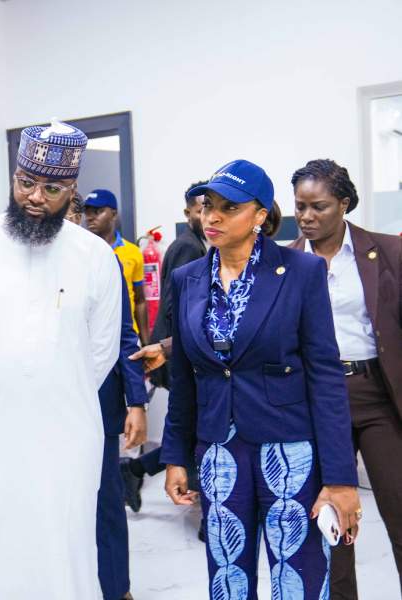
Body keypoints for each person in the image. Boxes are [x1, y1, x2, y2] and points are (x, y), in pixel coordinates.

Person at [162, 159, 361, 599]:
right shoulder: (187, 278)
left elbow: (326, 376)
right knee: (228, 576)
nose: (211, 217)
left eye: (228, 207)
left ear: (259, 216)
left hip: (288, 450)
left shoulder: (301, 272)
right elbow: (184, 378)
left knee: (300, 577)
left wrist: (341, 478)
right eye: (206, 205)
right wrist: (176, 455)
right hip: (218, 452)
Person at [0, 120, 122, 599]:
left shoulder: (94, 257)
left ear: (72, 191)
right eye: (26, 183)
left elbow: (100, 353)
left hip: (68, 433)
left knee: (63, 543)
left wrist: (51, 391)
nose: (35, 197)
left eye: (52, 188)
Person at [288, 158, 402, 599]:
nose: (306, 217)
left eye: (318, 207)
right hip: (314, 399)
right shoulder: (287, 263)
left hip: (377, 393)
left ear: (345, 204)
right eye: (299, 207)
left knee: (397, 505)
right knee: (332, 521)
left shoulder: (387, 251)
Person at [120, 180, 209, 510]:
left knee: (196, 429)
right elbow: (178, 308)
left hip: (179, 350)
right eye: (202, 209)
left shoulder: (196, 243)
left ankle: (135, 469)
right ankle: (138, 470)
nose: (209, 216)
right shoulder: (188, 247)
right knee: (195, 428)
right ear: (188, 213)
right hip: (179, 354)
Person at [95, 261, 149, 600]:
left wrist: (137, 402)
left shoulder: (98, 259)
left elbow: (123, 333)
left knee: (105, 501)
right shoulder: (20, 256)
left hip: (98, 403)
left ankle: (116, 589)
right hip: (42, 407)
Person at [84, 189, 149, 343]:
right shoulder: (82, 253)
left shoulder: (133, 252)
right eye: (87, 212)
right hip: (93, 336)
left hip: (127, 336)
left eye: (97, 211)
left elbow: (140, 299)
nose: (90, 218)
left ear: (113, 214)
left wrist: (146, 342)